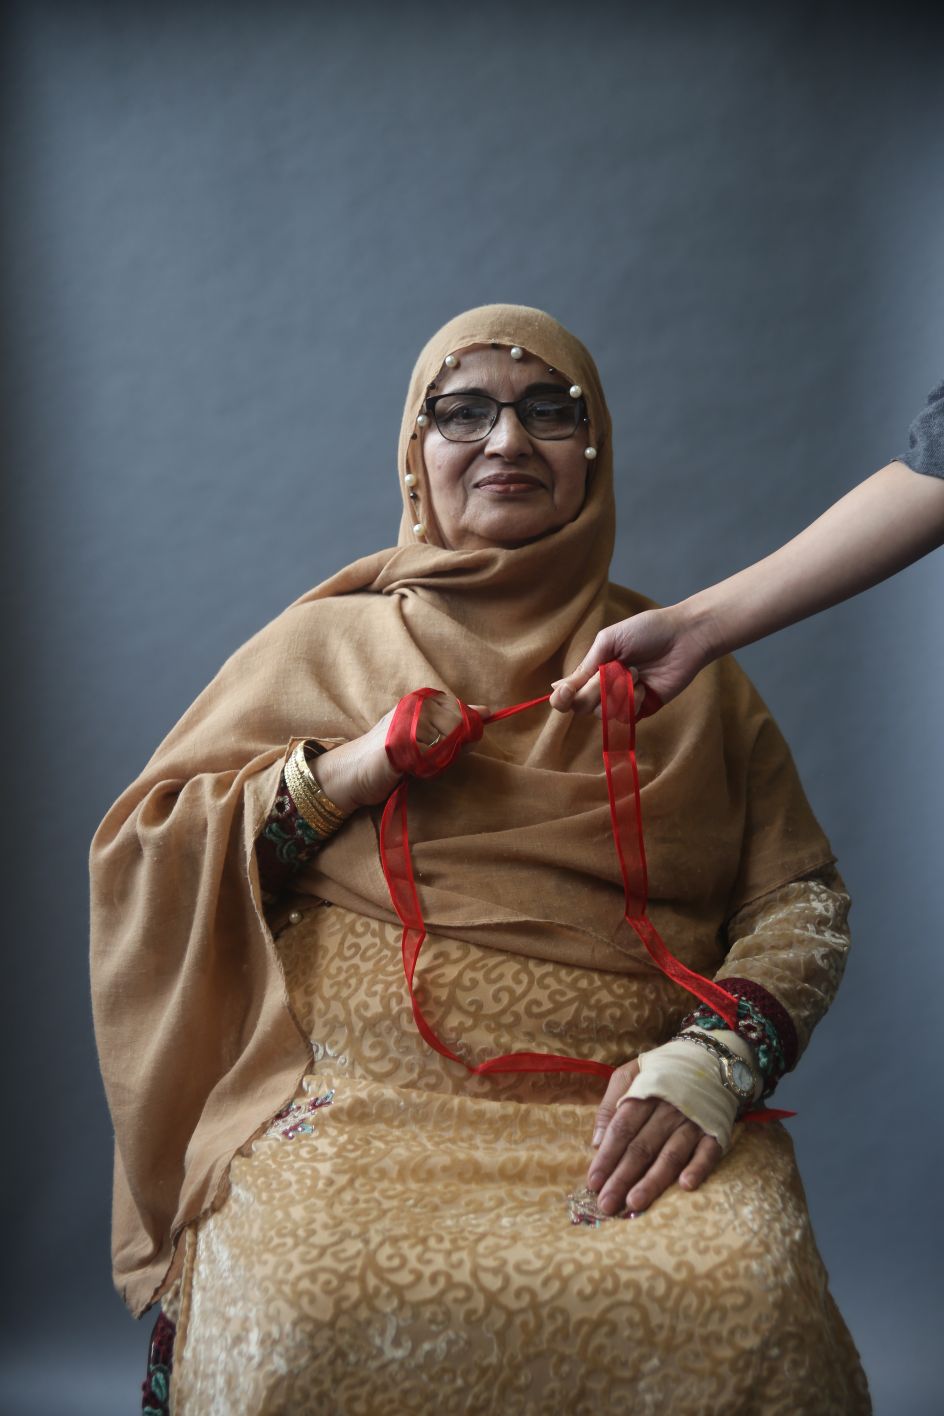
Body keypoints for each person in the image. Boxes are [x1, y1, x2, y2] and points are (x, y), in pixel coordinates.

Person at [92, 305, 870, 1415]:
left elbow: (798, 899)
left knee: (747, 1288)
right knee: (311, 1294)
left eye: (547, 410)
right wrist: (342, 773)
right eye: (464, 413)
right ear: (416, 454)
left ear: (590, 449)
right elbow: (148, 861)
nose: (506, 442)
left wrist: (715, 1060)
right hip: (360, 1112)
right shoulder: (318, 647)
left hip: (623, 1122)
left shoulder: (680, 666)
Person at [549, 382, 944, 715]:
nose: (508, 444)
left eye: (549, 411)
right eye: (482, 413)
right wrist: (694, 630)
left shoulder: (711, 699)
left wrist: (695, 629)